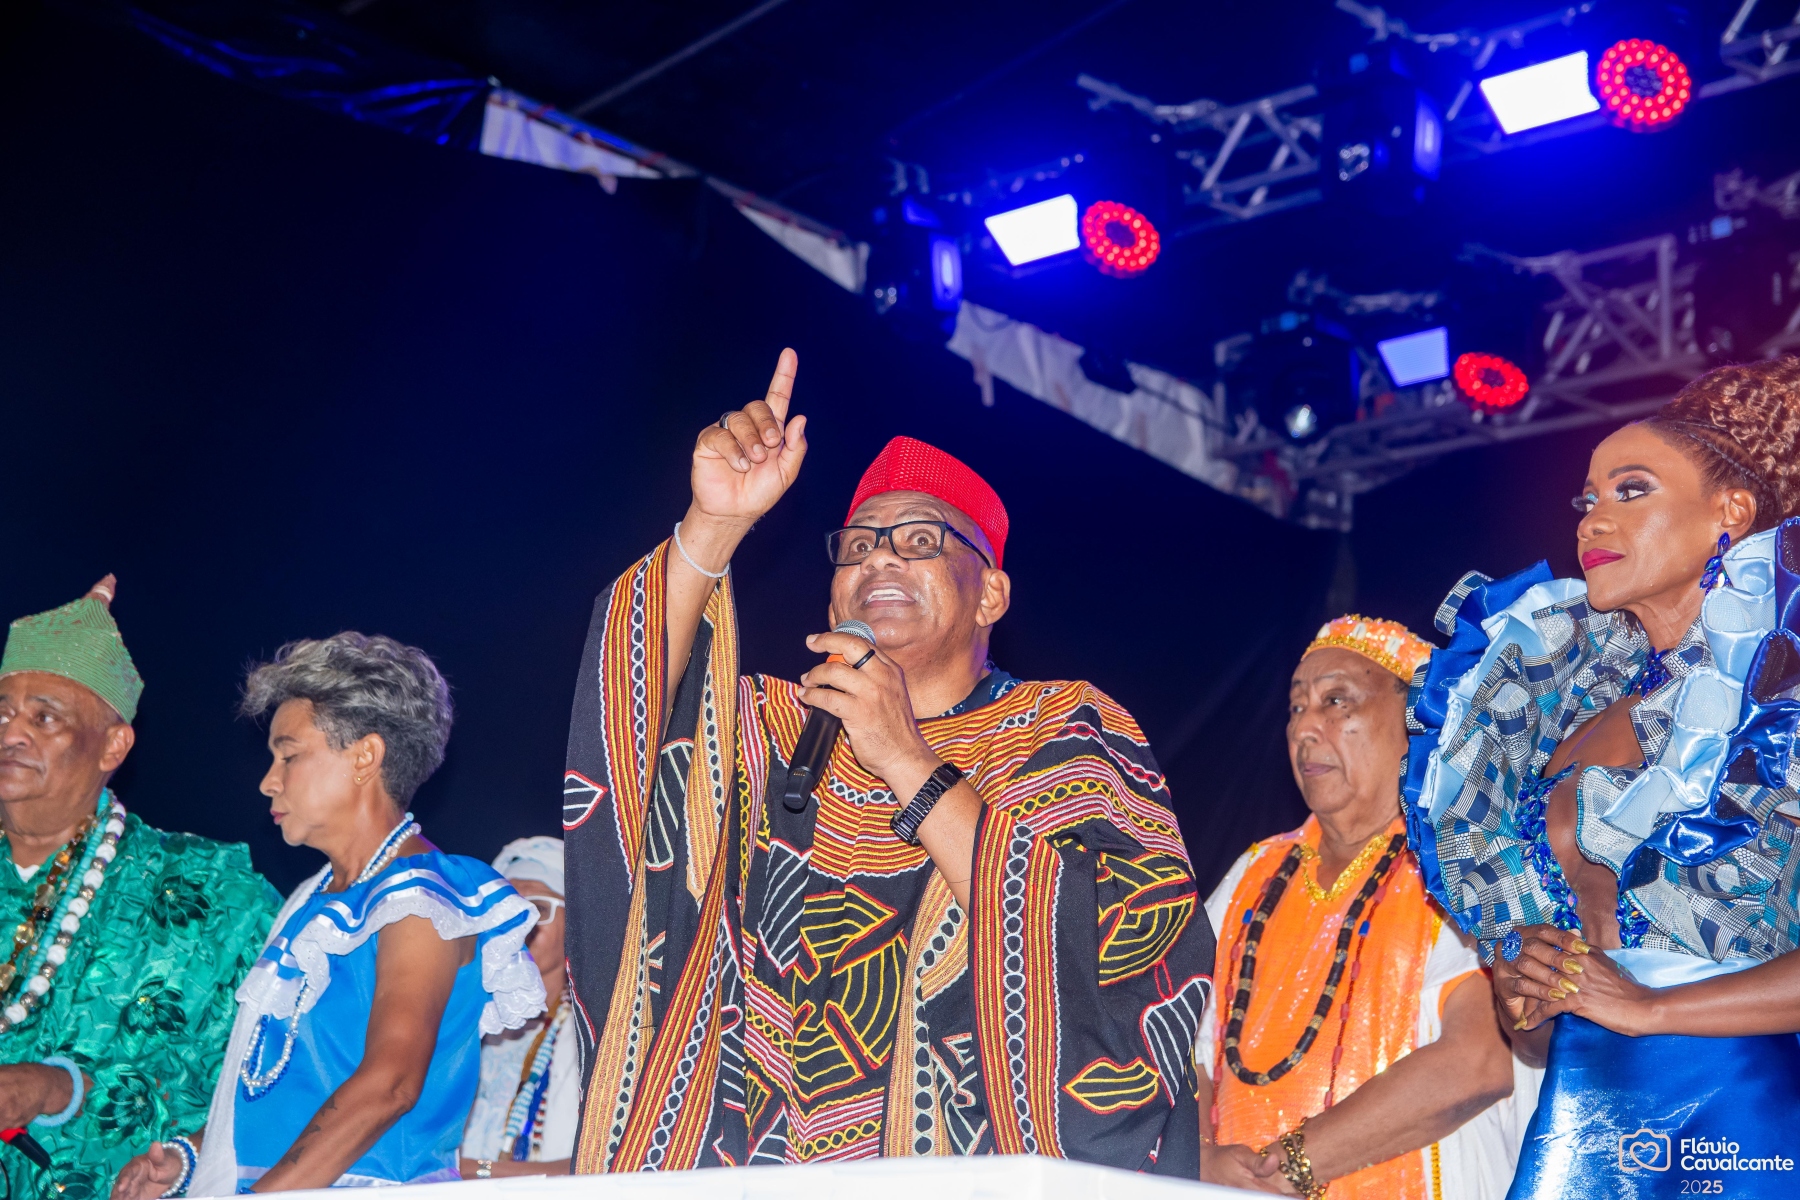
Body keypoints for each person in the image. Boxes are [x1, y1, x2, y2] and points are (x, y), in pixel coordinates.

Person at [561, 350, 1215, 1174]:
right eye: (859, 545)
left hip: (961, 1171)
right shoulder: (772, 728)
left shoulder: (1062, 727)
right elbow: (628, 735)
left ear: (990, 594)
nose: (878, 559)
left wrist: (906, 757)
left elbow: (1127, 941)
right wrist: (713, 524)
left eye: (919, 540)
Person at [1405, 357, 1800, 1199]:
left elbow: (1637, 996)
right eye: (1587, 499)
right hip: (1584, 1116)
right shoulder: (1567, 719)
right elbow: (1540, 1029)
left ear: (1730, 513)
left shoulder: (1782, 693)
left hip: (1744, 1112)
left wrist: (1652, 1009)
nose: (1595, 519)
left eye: (1631, 490)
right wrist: (1526, 992)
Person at [111, 633, 546, 1196]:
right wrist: (191, 1157)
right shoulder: (315, 900)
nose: (268, 780)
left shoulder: (422, 899)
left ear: (365, 757)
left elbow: (390, 1085)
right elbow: (294, 1090)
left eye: (288, 755)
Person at [1198, 617, 1535, 1200]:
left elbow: (1479, 1059)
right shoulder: (1253, 872)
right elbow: (1184, 1046)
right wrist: (1200, 1157)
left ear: (1414, 719)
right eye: (1296, 708)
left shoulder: (1461, 862)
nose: (1305, 728)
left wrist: (1290, 1166)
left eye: (1336, 701)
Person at [0, 577, 282, 1200]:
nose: (11, 733)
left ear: (114, 744)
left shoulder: (216, 899)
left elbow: (278, 1088)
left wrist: (59, 1089)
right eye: (1, 713)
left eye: (44, 717)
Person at [460, 836, 575, 1177]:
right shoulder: (465, 1021)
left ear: (576, 923)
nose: (519, 924)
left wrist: (478, 1171)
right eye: (507, 910)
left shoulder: (595, 1036)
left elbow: (602, 1165)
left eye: (538, 908)